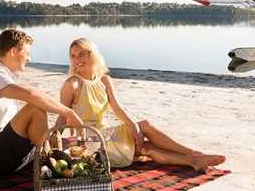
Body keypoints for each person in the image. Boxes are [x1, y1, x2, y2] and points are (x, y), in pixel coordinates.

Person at [60, 37, 225, 171]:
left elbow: (117, 108)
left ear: (92, 55)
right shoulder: (72, 84)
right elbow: (62, 117)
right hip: (89, 139)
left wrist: (133, 126)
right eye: (73, 56)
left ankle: (194, 155)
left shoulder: (104, 79)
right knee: (147, 147)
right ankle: (193, 160)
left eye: (81, 54)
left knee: (144, 126)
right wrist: (53, 143)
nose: (77, 60)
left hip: (107, 132)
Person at [0, 29, 83, 179]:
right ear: (13, 51)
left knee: (59, 140)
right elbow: (32, 95)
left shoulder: (4, 74)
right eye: (27, 53)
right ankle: (50, 163)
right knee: (35, 107)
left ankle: (49, 158)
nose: (29, 58)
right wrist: (68, 112)